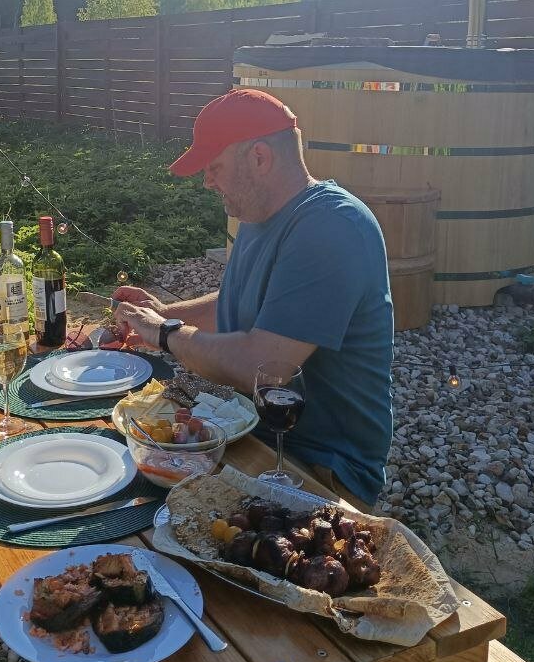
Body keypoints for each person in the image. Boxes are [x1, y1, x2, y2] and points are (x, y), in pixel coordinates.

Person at [112, 88, 394, 509]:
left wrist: (167, 334)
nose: (207, 181)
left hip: (315, 466)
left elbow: (261, 367)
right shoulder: (259, 213)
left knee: (136, 516)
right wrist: (161, 313)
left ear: (260, 158)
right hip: (252, 431)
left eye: (215, 167)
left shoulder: (332, 227)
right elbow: (240, 299)